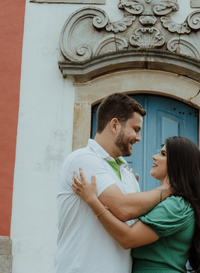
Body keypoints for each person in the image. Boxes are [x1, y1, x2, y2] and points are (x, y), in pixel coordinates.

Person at [55, 93, 172, 273]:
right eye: (135, 129)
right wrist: (169, 189)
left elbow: (132, 226)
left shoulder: (127, 174)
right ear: (115, 125)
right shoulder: (83, 159)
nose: (139, 138)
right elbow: (124, 209)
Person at [71, 135, 200, 273]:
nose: (154, 156)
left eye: (163, 154)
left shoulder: (176, 206)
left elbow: (127, 238)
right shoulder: (173, 202)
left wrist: (92, 201)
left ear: (178, 164)